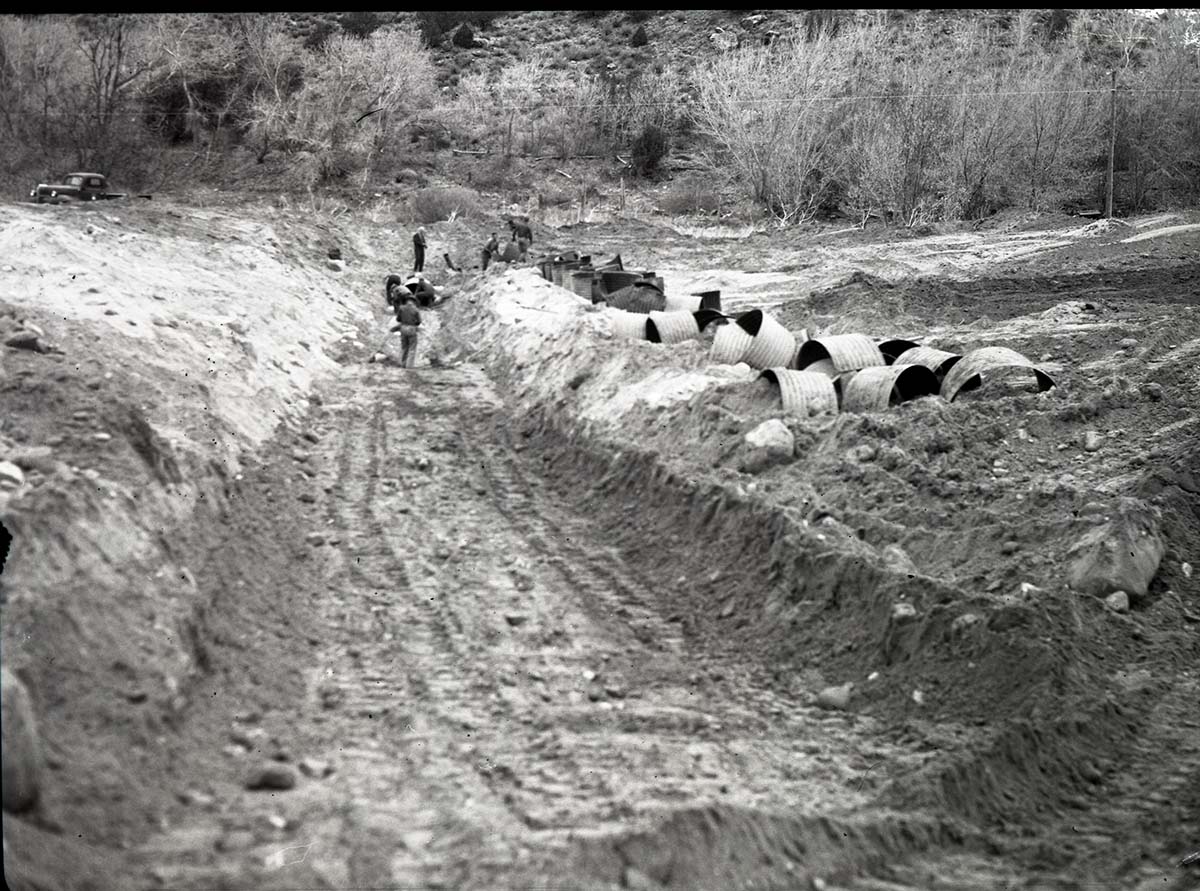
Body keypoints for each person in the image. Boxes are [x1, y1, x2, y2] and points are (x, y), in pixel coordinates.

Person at [392, 293, 421, 368]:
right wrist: (414, 323)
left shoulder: (401, 308)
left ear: (406, 301)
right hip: (411, 328)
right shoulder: (416, 309)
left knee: (404, 347)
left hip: (403, 328)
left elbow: (398, 319)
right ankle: (409, 366)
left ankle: (403, 364)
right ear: (413, 301)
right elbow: (419, 321)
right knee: (412, 348)